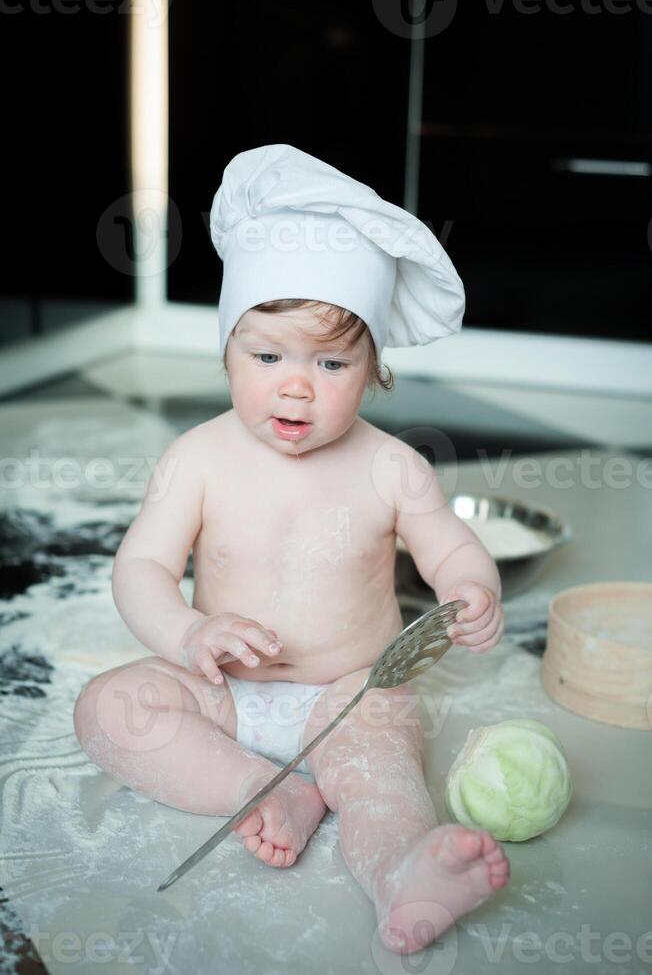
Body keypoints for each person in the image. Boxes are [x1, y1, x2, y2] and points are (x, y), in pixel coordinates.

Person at [73, 144, 509, 955]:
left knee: (381, 771)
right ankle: (261, 791)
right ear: (226, 351)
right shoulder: (197, 458)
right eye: (267, 356)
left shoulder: (390, 465)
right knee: (110, 709)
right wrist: (186, 636)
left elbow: (449, 544)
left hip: (346, 692)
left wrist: (471, 586)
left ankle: (403, 870)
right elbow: (142, 570)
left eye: (332, 361)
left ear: (375, 370)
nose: (296, 385)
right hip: (219, 688)